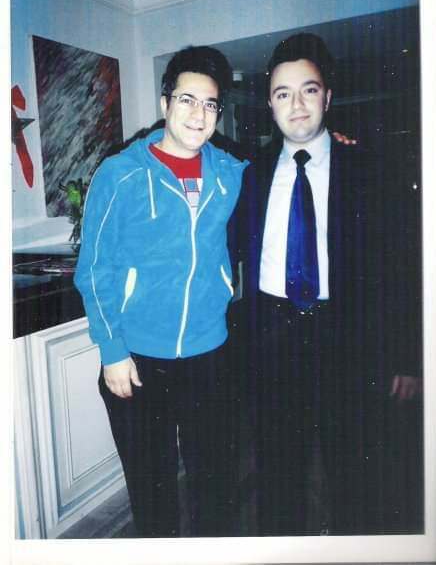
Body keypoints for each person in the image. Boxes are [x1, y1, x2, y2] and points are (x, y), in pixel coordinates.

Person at [232, 33, 422, 535]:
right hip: (272, 339)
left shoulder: (371, 168)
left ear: (328, 97)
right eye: (283, 93)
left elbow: (402, 267)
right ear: (269, 104)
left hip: (349, 337)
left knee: (355, 468)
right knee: (278, 471)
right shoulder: (249, 175)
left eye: (309, 90)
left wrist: (407, 358)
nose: (296, 104)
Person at [74, 45, 249, 537]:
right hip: (136, 361)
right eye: (187, 100)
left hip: (209, 356)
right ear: (165, 103)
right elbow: (95, 270)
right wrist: (112, 351)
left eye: (210, 104)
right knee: (152, 495)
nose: (199, 114)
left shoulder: (230, 172)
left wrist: (330, 140)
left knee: (216, 488)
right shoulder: (120, 173)